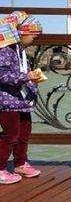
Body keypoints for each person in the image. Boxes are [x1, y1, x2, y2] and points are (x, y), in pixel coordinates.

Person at [0, 14, 45, 184]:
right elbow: (2, 74)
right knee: (10, 135)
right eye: (34, 36)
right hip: (7, 102)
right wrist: (25, 77)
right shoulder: (5, 50)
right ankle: (1, 167)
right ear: (21, 32)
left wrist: (32, 79)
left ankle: (20, 163)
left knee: (24, 134)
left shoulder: (19, 51)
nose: (35, 39)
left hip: (21, 101)